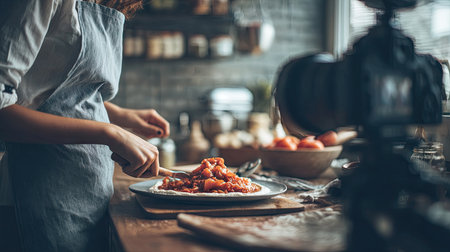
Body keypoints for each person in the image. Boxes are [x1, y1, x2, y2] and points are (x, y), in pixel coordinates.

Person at [0, 0, 169, 251]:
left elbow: (58, 92)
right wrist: (111, 132)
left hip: (88, 194)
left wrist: (120, 116)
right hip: (36, 194)